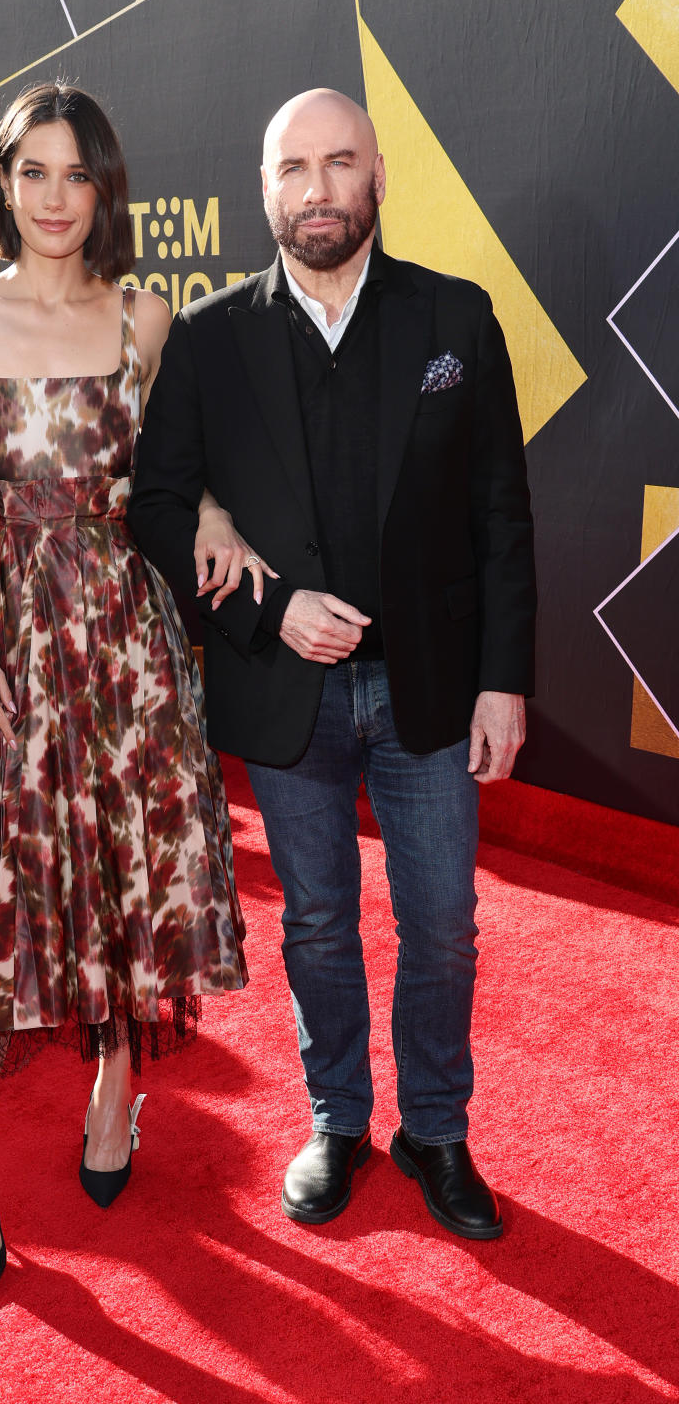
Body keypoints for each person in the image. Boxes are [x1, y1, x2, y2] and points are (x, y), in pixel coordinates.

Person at [129, 88, 536, 1242]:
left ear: (378, 177)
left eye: (338, 162)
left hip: (433, 691)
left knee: (443, 920)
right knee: (315, 921)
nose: (316, 188)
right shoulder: (210, 338)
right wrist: (270, 610)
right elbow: (160, 503)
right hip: (287, 691)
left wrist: (506, 678)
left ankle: (437, 1130)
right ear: (264, 193)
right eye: (294, 169)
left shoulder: (458, 318)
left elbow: (503, 512)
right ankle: (338, 1118)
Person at [0, 82, 246, 1299]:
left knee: (125, 882)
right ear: (2, 184)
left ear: (104, 188)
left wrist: (223, 519)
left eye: (76, 174)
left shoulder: (148, 321)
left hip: (126, 651)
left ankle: (115, 1095)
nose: (54, 197)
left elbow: (181, 478)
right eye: (32, 172)